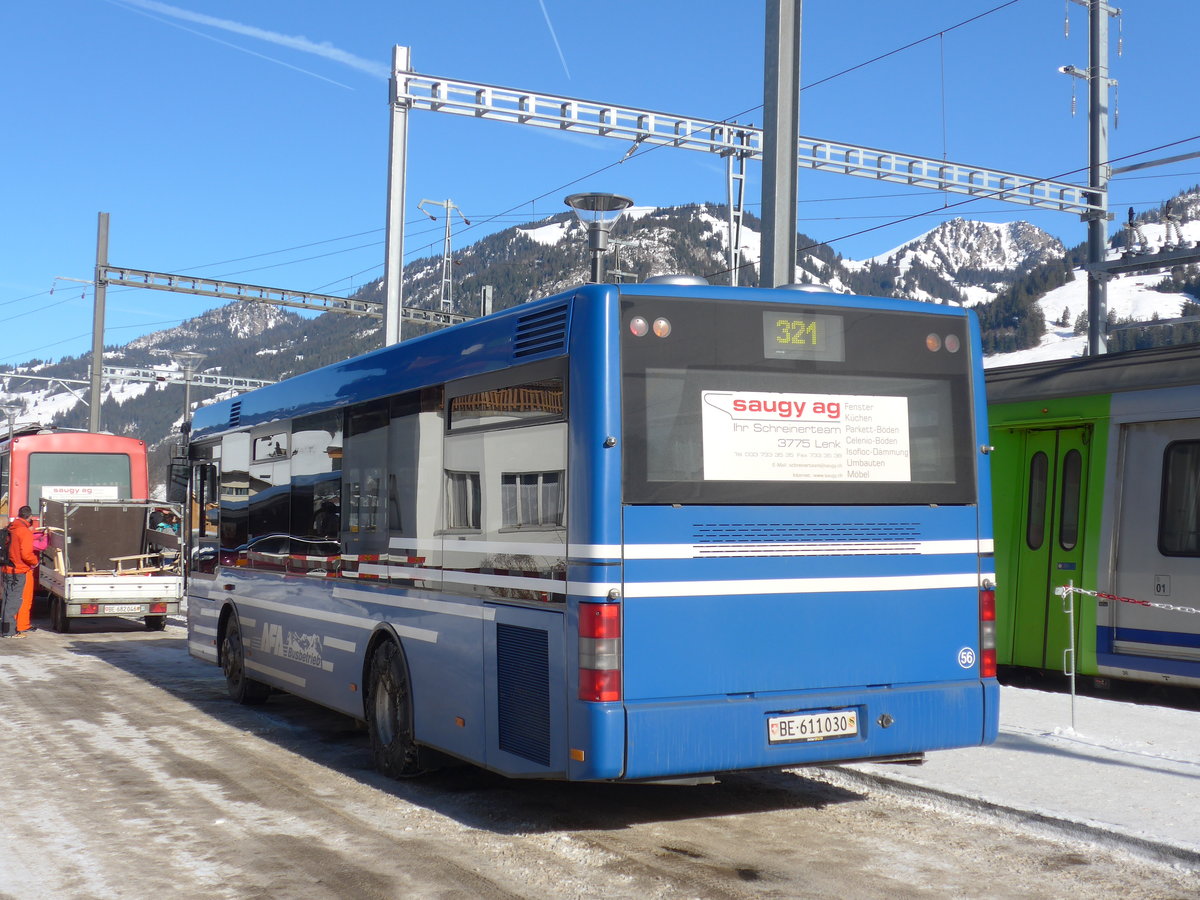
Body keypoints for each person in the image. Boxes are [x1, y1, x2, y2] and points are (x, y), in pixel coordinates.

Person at [1, 506, 40, 638]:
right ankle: (10, 632)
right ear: (29, 518)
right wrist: (35, 562)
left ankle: (5, 629)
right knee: (14, 601)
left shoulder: (11, 527)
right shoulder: (24, 532)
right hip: (18, 570)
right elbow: (26, 554)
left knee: (7, 599)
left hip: (6, 568)